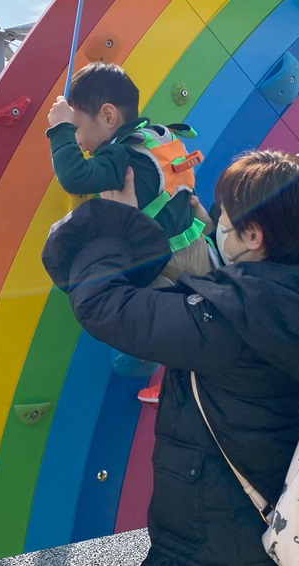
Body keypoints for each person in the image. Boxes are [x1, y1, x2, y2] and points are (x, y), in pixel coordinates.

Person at [41, 151, 299, 566]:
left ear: (253, 236)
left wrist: (113, 223)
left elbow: (107, 306)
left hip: (216, 537)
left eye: (224, 214)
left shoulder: (227, 318)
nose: (217, 219)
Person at [46, 62, 215, 404]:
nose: (79, 141)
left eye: (78, 127)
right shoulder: (157, 139)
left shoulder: (119, 156)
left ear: (109, 116)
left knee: (163, 326)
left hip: (167, 266)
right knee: (205, 326)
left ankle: (185, 385)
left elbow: (74, 176)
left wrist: (59, 130)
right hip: (199, 249)